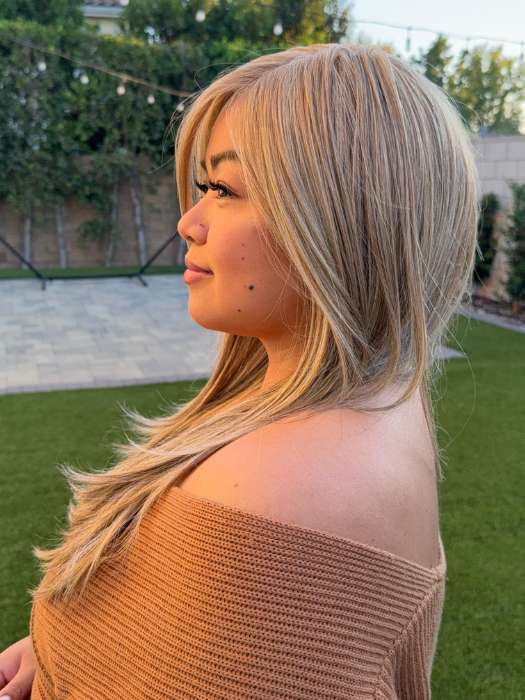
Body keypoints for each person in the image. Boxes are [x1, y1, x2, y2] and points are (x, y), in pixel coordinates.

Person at [0, 42, 479, 699]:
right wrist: (66, 647)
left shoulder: (277, 490)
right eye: (204, 188)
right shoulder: (375, 403)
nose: (188, 222)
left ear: (337, 220)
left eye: (223, 189)